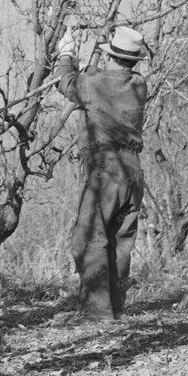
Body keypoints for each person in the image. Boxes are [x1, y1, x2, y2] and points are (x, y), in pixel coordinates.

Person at [55, 25, 150, 321]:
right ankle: (114, 309)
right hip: (132, 169)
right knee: (120, 240)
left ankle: (97, 313)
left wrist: (66, 53)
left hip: (105, 169)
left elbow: (66, 83)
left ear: (111, 56)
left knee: (88, 237)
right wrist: (89, 68)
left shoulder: (93, 85)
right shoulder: (138, 84)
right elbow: (102, 80)